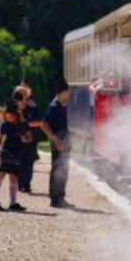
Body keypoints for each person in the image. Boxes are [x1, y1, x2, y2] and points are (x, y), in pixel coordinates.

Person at [0, 103, 31, 212]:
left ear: (17, 115)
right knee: (1, 174)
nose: (9, 118)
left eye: (11, 116)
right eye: (7, 116)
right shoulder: (5, 125)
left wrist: (26, 138)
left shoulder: (23, 124)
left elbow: (28, 137)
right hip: (6, 152)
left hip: (17, 153)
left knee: (14, 177)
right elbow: (0, 138)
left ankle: (13, 203)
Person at [41, 77, 73, 208]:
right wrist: (56, 140)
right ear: (62, 92)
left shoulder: (61, 106)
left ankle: (60, 197)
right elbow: (44, 125)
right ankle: (55, 199)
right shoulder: (53, 106)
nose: (69, 94)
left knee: (63, 170)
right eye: (68, 91)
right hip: (58, 144)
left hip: (64, 142)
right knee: (58, 170)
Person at [14, 83, 41, 193]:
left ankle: (26, 184)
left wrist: (26, 124)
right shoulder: (13, 108)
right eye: (19, 94)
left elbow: (39, 122)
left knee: (28, 163)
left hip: (30, 140)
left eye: (24, 94)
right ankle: (18, 183)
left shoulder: (33, 107)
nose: (22, 97)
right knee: (18, 162)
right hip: (17, 139)